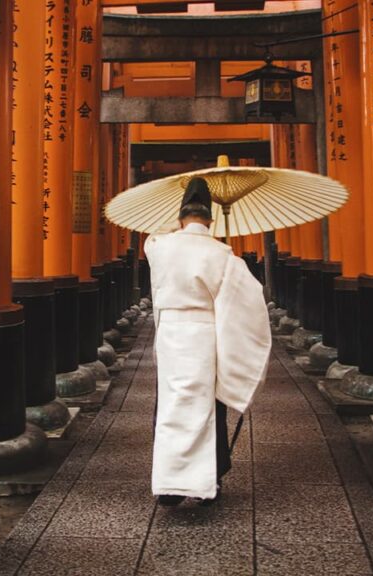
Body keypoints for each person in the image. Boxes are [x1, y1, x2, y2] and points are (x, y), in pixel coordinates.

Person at [144, 177, 272, 507]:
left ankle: (169, 486)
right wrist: (228, 261)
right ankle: (208, 482)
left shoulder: (157, 246)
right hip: (204, 335)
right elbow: (247, 300)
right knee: (208, 406)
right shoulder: (222, 254)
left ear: (180, 216)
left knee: (171, 407)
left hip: (171, 335)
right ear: (211, 219)